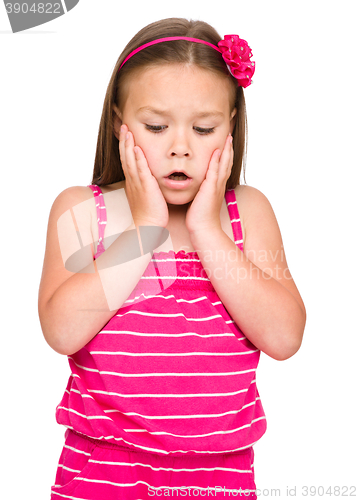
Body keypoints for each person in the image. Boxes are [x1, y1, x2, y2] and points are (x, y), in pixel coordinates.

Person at [38, 17, 306, 500]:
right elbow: (62, 332)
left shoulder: (246, 212)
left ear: (231, 128)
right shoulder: (84, 211)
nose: (180, 147)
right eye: (156, 126)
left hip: (218, 482)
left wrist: (206, 228)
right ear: (120, 121)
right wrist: (144, 230)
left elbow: (285, 338)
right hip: (103, 475)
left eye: (204, 128)